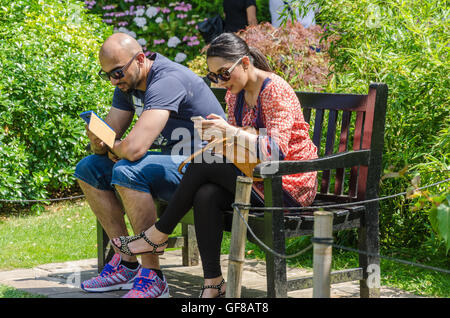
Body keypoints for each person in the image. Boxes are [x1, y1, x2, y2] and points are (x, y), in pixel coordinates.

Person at [110, 33, 318, 298]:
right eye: (213, 77)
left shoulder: (274, 89)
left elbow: (274, 153)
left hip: (286, 185)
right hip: (253, 176)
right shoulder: (235, 95)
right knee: (205, 193)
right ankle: (213, 283)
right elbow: (240, 142)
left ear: (244, 63)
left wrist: (229, 133)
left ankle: (158, 234)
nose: (220, 82)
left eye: (224, 73)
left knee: (203, 163)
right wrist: (221, 137)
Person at [74, 32, 225, 298]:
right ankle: (126, 262)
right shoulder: (127, 84)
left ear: (140, 59)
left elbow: (132, 149)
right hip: (171, 160)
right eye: (107, 74)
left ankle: (153, 276)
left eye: (117, 72)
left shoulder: (167, 80)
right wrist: (98, 141)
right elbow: (111, 137)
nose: (113, 80)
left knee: (128, 170)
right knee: (88, 168)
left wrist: (117, 147)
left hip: (205, 166)